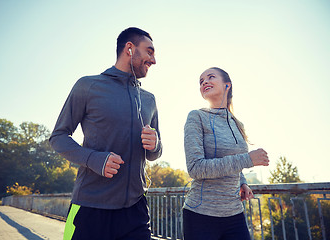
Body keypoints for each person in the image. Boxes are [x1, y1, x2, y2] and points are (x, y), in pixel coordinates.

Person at [49, 27, 162, 240]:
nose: (153, 60)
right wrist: (94, 159)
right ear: (129, 48)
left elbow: (154, 154)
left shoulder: (149, 99)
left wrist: (155, 144)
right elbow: (58, 137)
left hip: (136, 211)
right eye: (149, 51)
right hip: (91, 208)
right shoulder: (88, 85)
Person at [182, 67, 269, 240]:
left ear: (227, 85)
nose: (204, 82)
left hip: (235, 214)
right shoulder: (196, 117)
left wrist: (242, 182)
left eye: (211, 77)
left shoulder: (238, 124)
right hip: (201, 215)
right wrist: (247, 159)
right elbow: (196, 168)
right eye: (201, 81)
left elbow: (234, 162)